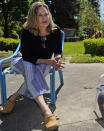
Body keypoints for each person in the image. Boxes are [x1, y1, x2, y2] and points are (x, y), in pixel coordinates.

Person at [0, 2, 64, 130]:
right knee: (30, 66)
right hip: (22, 61)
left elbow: (58, 50)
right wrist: (48, 62)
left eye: (46, 14)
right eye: (40, 15)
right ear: (33, 17)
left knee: (34, 72)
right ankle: (46, 112)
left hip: (43, 63)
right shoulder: (27, 31)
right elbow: (27, 57)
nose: (44, 18)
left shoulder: (55, 31)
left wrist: (57, 58)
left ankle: (13, 97)